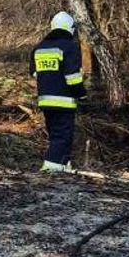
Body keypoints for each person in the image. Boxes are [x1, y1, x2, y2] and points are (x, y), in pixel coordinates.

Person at [33, 10, 85, 173]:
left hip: (45, 100)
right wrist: (81, 93)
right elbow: (73, 77)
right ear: (70, 28)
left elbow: (34, 73)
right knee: (63, 136)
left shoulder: (39, 47)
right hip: (64, 100)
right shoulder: (69, 47)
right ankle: (51, 168)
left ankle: (63, 165)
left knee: (55, 135)